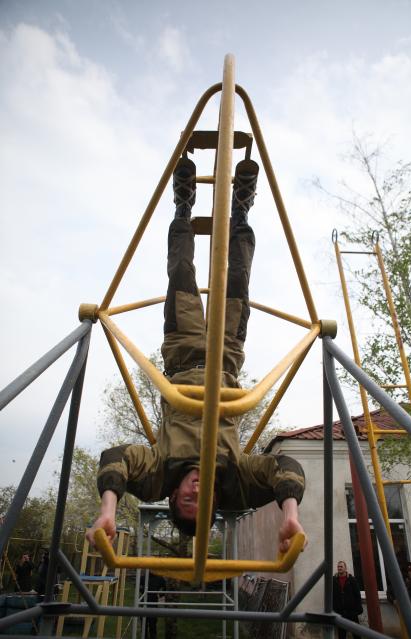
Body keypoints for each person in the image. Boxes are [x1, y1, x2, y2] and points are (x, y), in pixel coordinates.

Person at [87, 156, 306, 554]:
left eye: (186, 500)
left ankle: (183, 205)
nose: (196, 491)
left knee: (181, 273)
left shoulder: (158, 474)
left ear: (171, 498)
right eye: (202, 502)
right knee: (238, 277)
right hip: (225, 355)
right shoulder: (236, 478)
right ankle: (241, 209)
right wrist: (290, 513)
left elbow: (115, 457)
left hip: (184, 351)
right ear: (216, 502)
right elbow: (284, 469)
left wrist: (108, 508)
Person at [332, 560, 363, 639]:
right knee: (341, 635)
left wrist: (357, 609)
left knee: (356, 633)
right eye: (338, 567)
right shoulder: (334, 580)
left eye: (341, 566)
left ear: (345, 568)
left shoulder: (352, 580)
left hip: (352, 612)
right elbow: (332, 595)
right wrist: (334, 608)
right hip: (340, 612)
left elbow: (357, 595)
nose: (339, 568)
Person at [139, 571, 166, 639]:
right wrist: (143, 591)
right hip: (144, 602)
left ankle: (151, 637)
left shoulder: (159, 578)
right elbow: (139, 586)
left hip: (153, 602)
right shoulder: (144, 577)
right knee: (145, 624)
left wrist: (160, 594)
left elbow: (164, 588)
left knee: (152, 624)